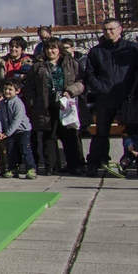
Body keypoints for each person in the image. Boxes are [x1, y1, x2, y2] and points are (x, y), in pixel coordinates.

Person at [84, 19, 138, 174]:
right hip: (105, 97)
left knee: (133, 131)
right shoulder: (96, 51)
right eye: (105, 29)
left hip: (129, 97)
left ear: (120, 29)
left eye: (111, 29)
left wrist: (134, 89)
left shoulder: (132, 48)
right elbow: (90, 74)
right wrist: (100, 88)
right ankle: (95, 163)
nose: (108, 32)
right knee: (101, 132)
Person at [25, 40, 85, 175]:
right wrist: (33, 103)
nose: (50, 51)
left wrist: (71, 91)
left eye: (53, 48)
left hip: (66, 105)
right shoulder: (38, 66)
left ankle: (73, 166)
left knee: (69, 136)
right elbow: (29, 86)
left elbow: (81, 81)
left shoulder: (71, 63)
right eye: (48, 48)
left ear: (59, 49)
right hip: (46, 106)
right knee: (48, 137)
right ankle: (50, 167)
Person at [0, 80, 36, 179]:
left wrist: (7, 133)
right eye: (5, 89)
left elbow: (17, 120)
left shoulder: (18, 103)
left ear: (17, 91)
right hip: (10, 132)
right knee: (10, 151)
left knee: (25, 150)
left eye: (10, 89)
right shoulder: (2, 103)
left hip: (23, 131)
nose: (7, 91)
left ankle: (30, 169)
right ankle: (12, 169)